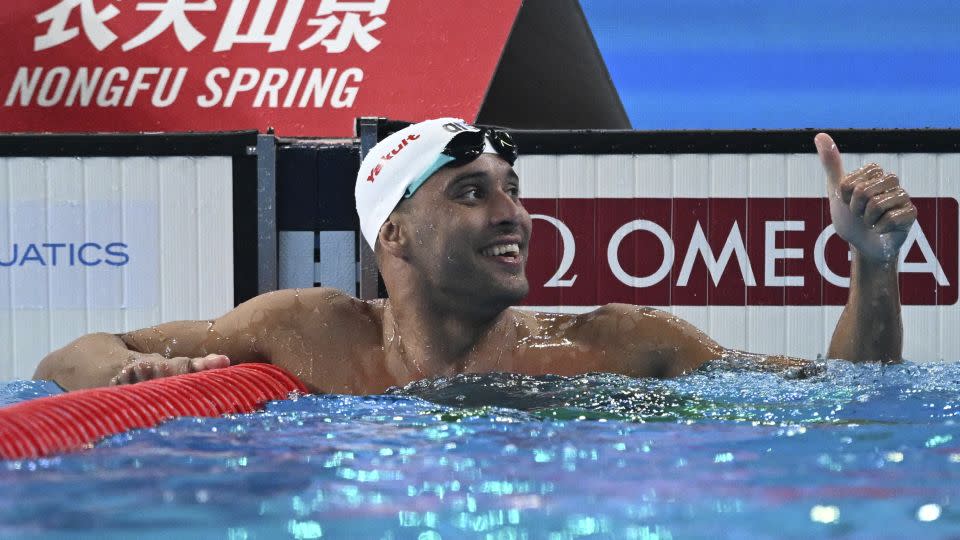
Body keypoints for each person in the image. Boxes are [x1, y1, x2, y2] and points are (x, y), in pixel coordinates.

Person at [34, 118, 917, 394]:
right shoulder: (306, 331)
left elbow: (850, 400)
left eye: (512, 187)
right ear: (393, 235)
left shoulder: (612, 344)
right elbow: (67, 356)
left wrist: (874, 266)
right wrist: (124, 378)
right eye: (470, 192)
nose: (513, 213)